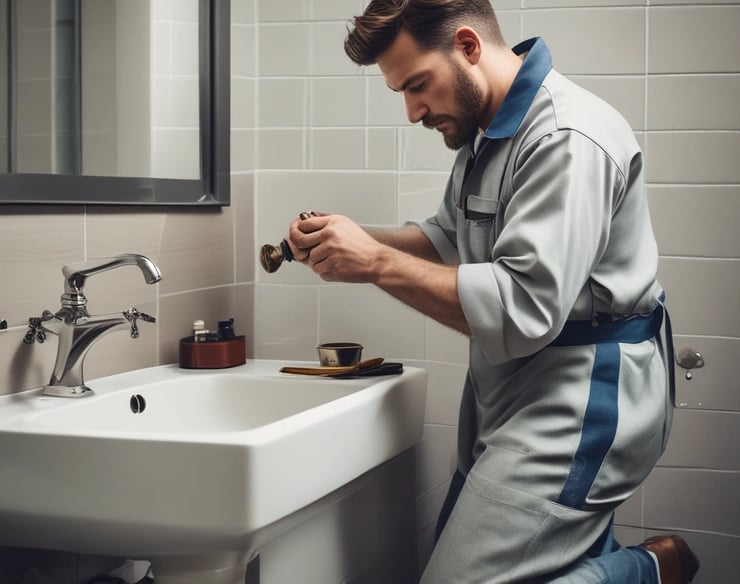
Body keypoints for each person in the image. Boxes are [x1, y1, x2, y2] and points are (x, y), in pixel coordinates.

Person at [283, 1, 700, 582]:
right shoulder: (487, 132)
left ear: (468, 47)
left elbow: (525, 309)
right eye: (400, 91)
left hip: (586, 399)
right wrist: (347, 237)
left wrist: (374, 262)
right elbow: (448, 240)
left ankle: (649, 570)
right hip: (510, 390)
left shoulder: (566, 137)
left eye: (418, 85)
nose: (411, 111)